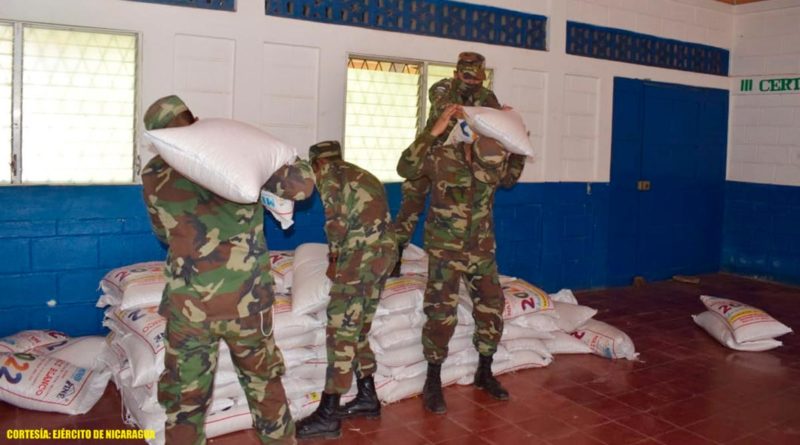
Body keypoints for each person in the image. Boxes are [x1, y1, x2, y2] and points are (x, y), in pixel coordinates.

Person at [141, 95, 315, 445]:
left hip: (189, 307)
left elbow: (163, 234)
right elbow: (303, 185)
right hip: (246, 302)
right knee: (264, 387)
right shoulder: (241, 156)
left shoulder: (153, 174)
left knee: (185, 400)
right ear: (195, 121)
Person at [397, 103, 527, 414]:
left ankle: (485, 371)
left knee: (492, 307)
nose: (490, 175)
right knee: (441, 314)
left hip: (481, 250)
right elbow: (406, 168)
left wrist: (515, 126)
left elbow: (509, 179)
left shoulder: (496, 160)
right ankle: (433, 380)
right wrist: (435, 131)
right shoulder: (441, 156)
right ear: (472, 149)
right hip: (446, 250)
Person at [294, 141, 397, 440]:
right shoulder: (360, 173)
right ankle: (367, 397)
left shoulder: (330, 177)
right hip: (384, 256)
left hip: (360, 257)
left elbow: (336, 224)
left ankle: (328, 413)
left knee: (340, 330)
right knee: (358, 327)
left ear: (317, 164)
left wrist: (334, 260)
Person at [391, 51, 503, 277]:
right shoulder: (443, 87)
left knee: (459, 212)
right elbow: (445, 109)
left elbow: (495, 124)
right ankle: (394, 259)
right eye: (465, 76)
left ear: (482, 76)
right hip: (429, 156)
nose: (470, 82)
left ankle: (459, 262)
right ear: (456, 73)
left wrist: (503, 117)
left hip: (458, 164)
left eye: (475, 78)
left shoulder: (487, 96)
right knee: (410, 209)